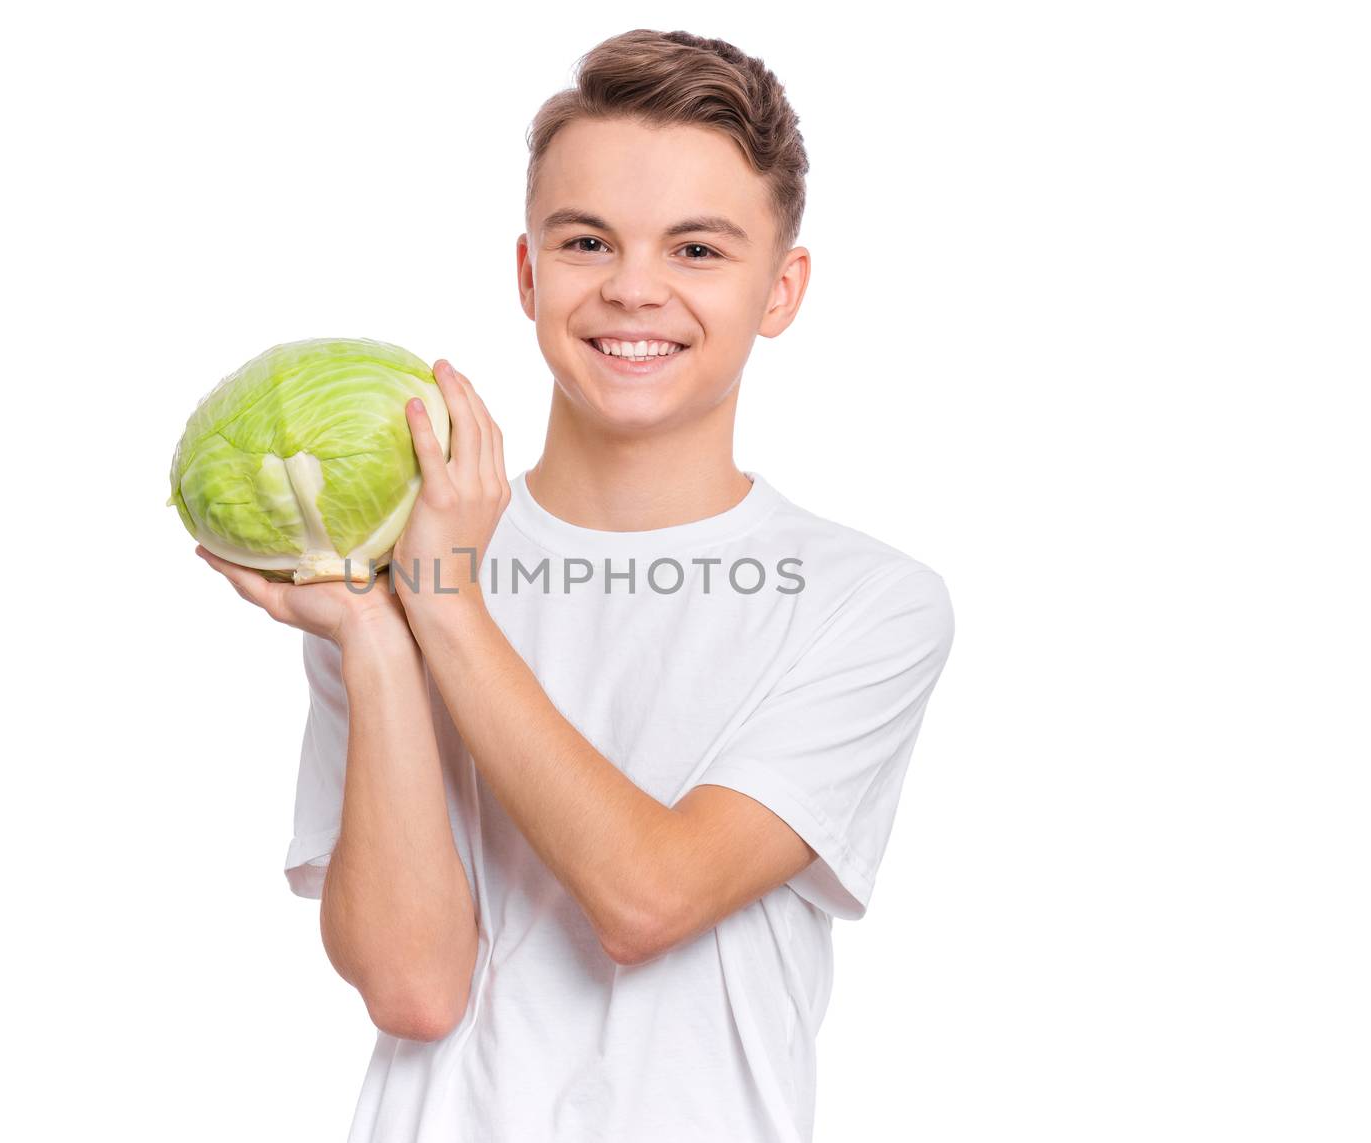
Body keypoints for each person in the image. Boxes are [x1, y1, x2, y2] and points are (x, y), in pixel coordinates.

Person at [197, 28, 955, 1143]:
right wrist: (372, 634)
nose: (633, 291)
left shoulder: (865, 602)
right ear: (527, 271)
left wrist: (443, 600)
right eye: (588, 240)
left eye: (697, 250)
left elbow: (647, 900)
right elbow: (414, 990)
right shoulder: (383, 575)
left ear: (780, 290)